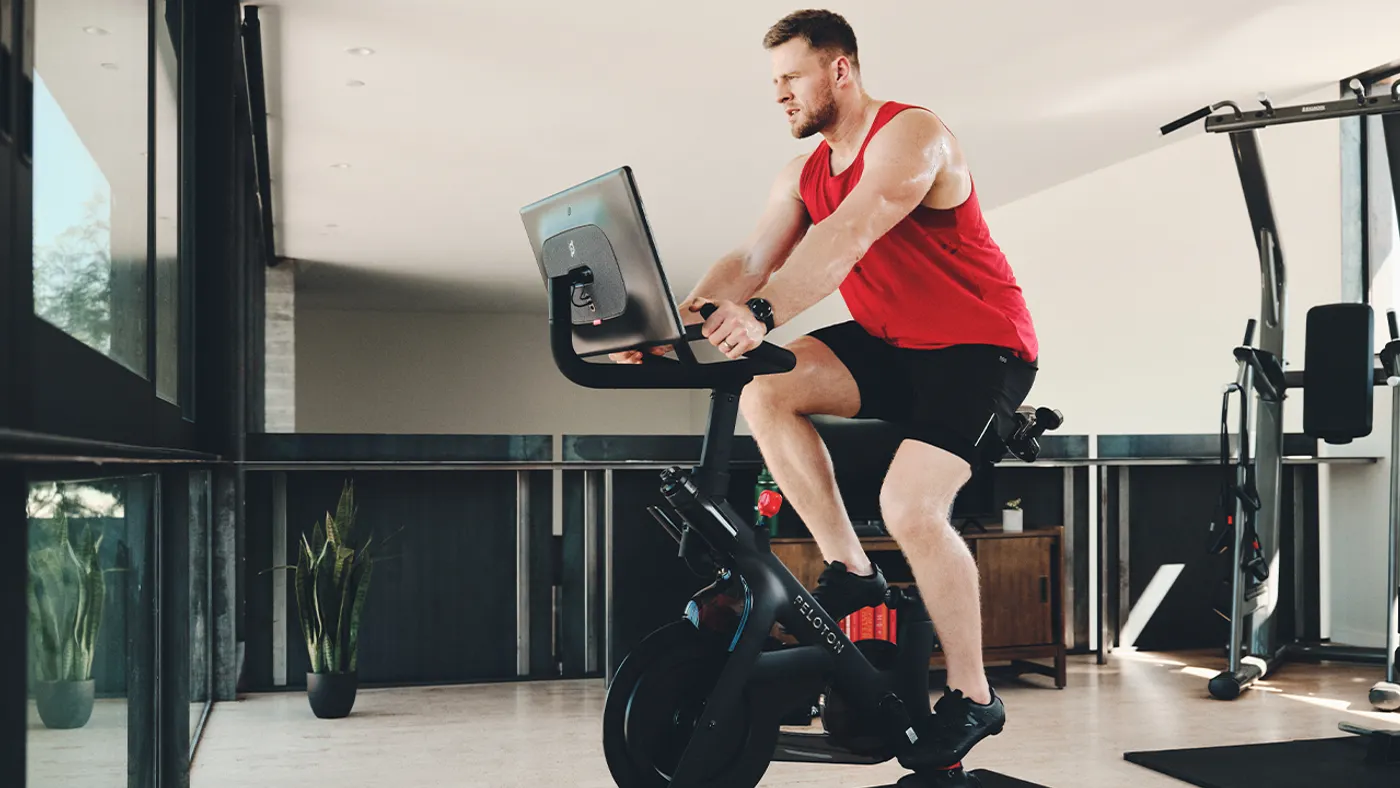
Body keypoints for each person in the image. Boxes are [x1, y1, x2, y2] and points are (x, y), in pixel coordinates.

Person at [611, 9, 1039, 771]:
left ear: (840, 69)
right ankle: (851, 568)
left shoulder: (912, 135)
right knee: (766, 390)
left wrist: (764, 313)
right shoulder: (802, 172)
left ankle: (976, 696)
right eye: (772, 82)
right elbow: (748, 258)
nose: (779, 96)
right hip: (890, 343)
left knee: (912, 506)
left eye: (791, 78)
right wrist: (676, 330)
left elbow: (849, 234)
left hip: (980, 347)